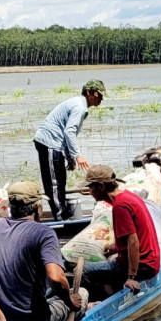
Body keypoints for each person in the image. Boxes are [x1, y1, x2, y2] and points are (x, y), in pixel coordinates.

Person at [0, 181, 83, 321]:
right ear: (37, 208)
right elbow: (56, 278)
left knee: (47, 290)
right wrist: (70, 301)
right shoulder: (44, 232)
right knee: (82, 293)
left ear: (10, 207)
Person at [78, 163, 161, 302]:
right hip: (150, 261)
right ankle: (111, 287)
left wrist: (132, 277)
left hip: (143, 266)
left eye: (91, 187)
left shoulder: (120, 206)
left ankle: (97, 303)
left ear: (101, 187)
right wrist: (116, 248)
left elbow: (133, 242)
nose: (90, 191)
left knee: (82, 272)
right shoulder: (128, 196)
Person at [32, 80, 105, 220]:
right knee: (54, 183)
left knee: (60, 181)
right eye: (99, 95)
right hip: (49, 143)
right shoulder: (79, 107)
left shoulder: (79, 104)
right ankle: (60, 217)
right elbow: (69, 132)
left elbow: (66, 133)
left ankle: (61, 212)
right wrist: (77, 155)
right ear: (90, 93)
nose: (101, 99)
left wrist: (70, 158)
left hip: (55, 144)